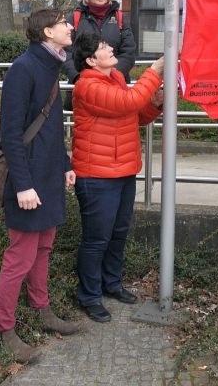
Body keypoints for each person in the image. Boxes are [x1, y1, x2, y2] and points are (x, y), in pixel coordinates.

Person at [0, 8, 81, 364]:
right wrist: (23, 186)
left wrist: (65, 166)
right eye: (64, 23)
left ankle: (42, 310)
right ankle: (5, 329)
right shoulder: (23, 69)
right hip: (27, 180)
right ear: (47, 32)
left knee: (44, 246)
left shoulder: (51, 67)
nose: (70, 27)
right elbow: (12, 135)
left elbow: (51, 128)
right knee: (20, 256)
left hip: (48, 176)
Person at [71, 31, 164, 322]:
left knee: (117, 234)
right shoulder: (87, 86)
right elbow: (127, 103)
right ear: (90, 60)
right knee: (97, 239)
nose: (110, 48)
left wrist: (155, 104)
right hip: (97, 175)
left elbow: (133, 116)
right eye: (102, 47)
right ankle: (89, 295)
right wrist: (154, 72)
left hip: (123, 170)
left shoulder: (116, 80)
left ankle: (112, 284)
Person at [63, 0, 136, 89]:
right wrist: (78, 77)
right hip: (83, 87)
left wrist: (112, 75)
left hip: (116, 85)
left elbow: (129, 52)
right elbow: (65, 52)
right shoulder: (75, 18)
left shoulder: (120, 18)